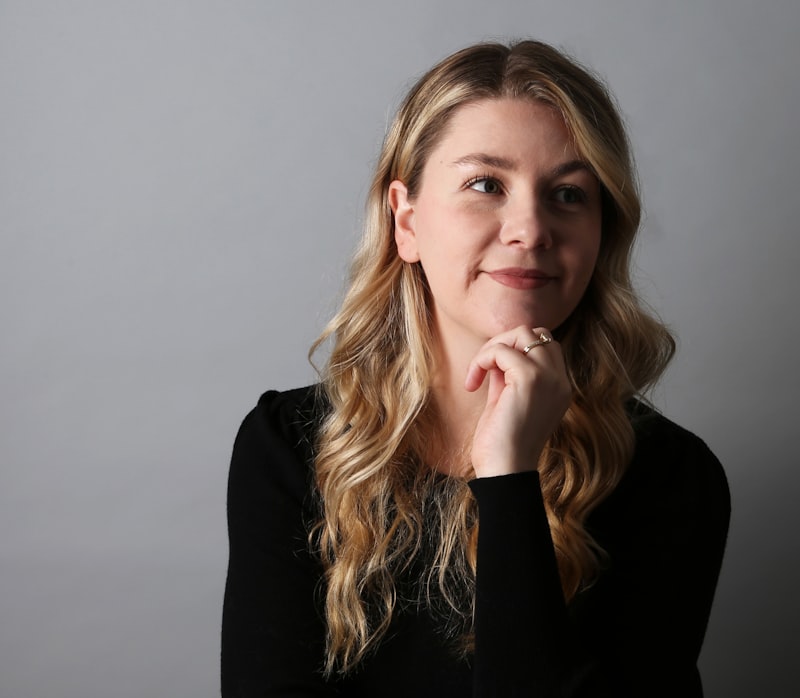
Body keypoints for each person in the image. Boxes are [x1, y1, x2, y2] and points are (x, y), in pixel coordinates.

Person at [221, 39, 730, 697]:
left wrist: (509, 476)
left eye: (569, 194)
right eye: (486, 184)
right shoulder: (288, 448)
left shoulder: (670, 479)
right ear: (406, 220)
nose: (530, 228)